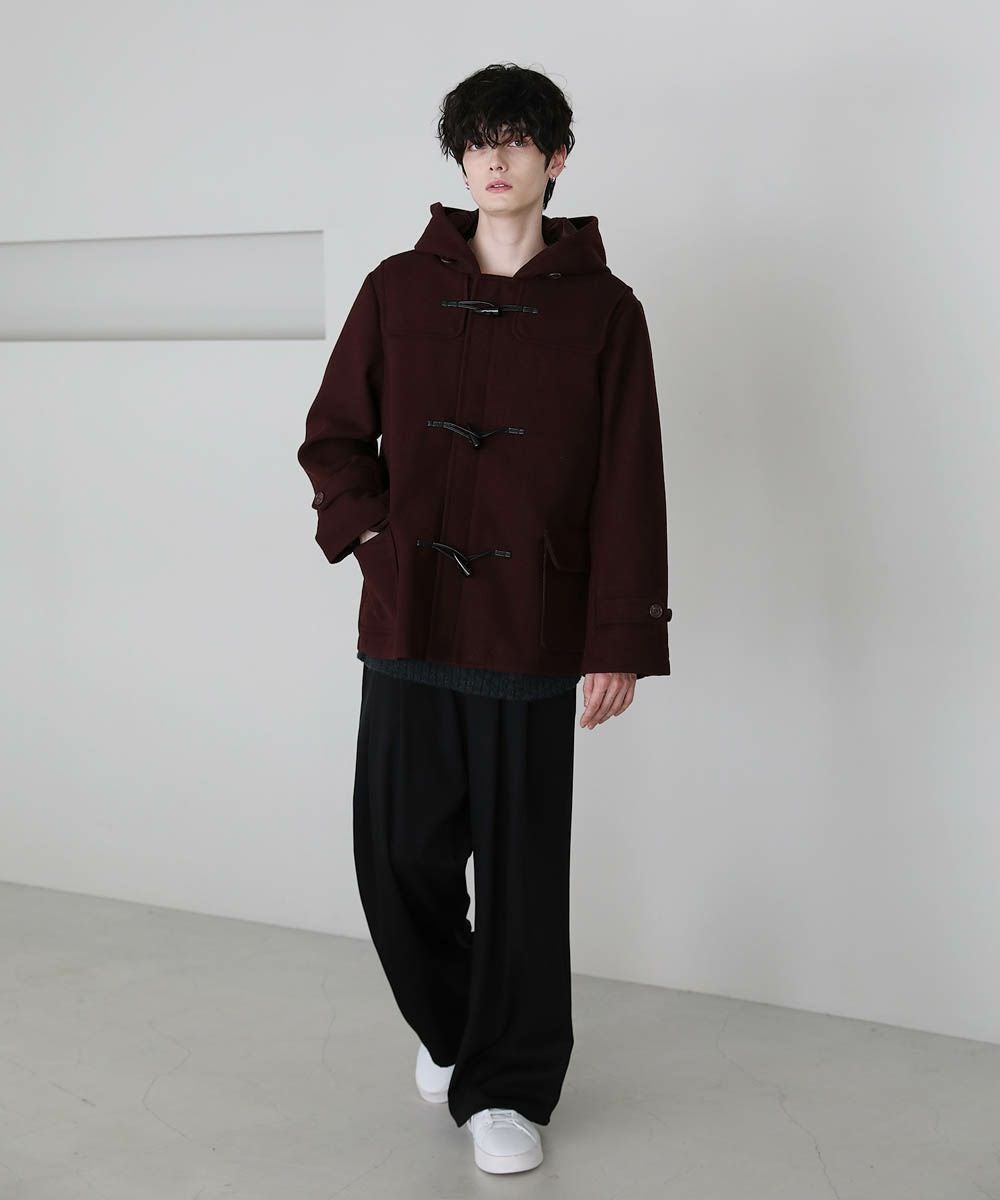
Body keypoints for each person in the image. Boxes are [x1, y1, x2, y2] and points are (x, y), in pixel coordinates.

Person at [297, 62, 671, 1175]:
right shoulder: (396, 289)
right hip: (410, 616)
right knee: (393, 858)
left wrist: (618, 638)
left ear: (556, 158)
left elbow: (630, 482)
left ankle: (506, 1087)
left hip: (532, 621)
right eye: (475, 142)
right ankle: (460, 1026)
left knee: (519, 878)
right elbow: (332, 436)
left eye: (515, 140)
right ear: (459, 160)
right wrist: (374, 539)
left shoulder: (606, 312)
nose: (494, 160)